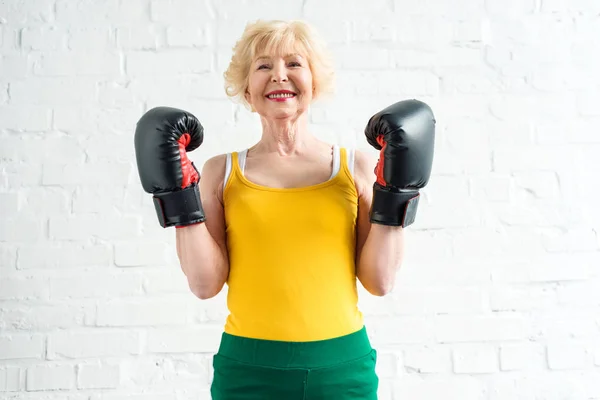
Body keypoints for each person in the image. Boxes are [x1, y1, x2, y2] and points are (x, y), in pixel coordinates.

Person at [134, 19, 435, 400]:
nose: (279, 76)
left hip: (342, 369)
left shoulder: (352, 167)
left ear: (314, 81)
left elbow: (380, 281)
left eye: (294, 64)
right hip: (248, 369)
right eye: (263, 66)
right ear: (246, 87)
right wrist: (179, 197)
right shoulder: (220, 172)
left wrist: (396, 191)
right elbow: (204, 284)